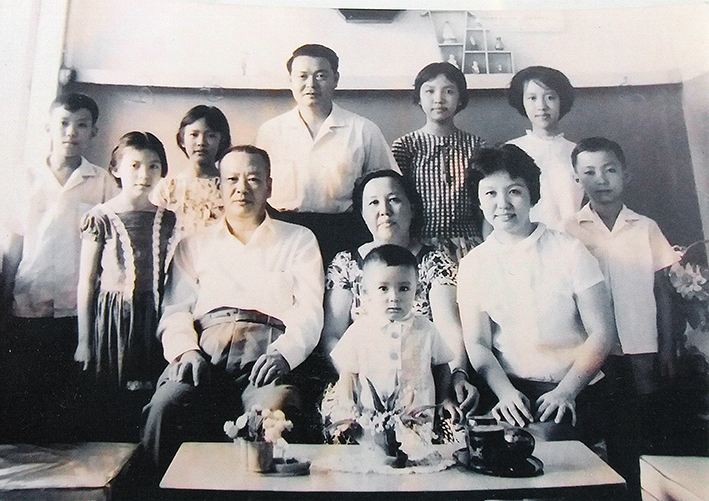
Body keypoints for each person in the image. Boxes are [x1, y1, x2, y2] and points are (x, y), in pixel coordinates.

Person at [141, 145, 323, 473]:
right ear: (220, 187)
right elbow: (176, 309)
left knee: (275, 414)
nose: (242, 188)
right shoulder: (193, 244)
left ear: (269, 186)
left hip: (267, 358)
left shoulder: (299, 239)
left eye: (253, 179)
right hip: (204, 356)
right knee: (166, 407)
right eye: (232, 179)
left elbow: (309, 311)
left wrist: (284, 354)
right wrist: (186, 352)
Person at [453, 144, 616, 448]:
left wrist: (565, 392)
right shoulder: (473, 264)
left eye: (514, 191)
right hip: (510, 392)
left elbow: (602, 333)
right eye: (490, 193)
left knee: (546, 444)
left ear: (532, 194)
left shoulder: (569, 250)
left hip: (575, 388)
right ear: (478, 200)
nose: (503, 204)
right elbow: (478, 343)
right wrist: (505, 393)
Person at [563, 137, 680, 501]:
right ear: (577, 179)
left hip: (643, 346)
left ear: (626, 174)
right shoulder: (569, 230)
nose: (601, 179)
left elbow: (664, 291)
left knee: (644, 432)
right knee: (606, 432)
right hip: (597, 354)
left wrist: (667, 348)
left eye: (610, 169)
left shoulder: (645, 227)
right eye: (589, 172)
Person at [0, 93, 118, 442]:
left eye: (81, 124)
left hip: (75, 308)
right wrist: (5, 302)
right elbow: (14, 243)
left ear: (93, 132)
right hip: (28, 301)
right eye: (64, 124)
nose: (71, 132)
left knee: (65, 398)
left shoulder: (101, 181)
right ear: (48, 127)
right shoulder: (26, 178)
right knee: (22, 392)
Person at [323, 169, 479, 414]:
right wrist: (351, 377)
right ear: (362, 213)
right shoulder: (345, 263)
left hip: (425, 386)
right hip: (361, 384)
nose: (384, 210)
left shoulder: (435, 262)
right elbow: (332, 335)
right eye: (373, 203)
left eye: (394, 199)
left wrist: (457, 376)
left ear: (412, 208)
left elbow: (449, 330)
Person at [75, 132, 177, 441]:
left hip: (153, 316)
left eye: (153, 166)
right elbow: (87, 282)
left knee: (150, 394)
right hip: (114, 320)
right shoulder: (100, 217)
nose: (144, 174)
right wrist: (84, 341)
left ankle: (146, 457)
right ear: (116, 169)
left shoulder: (167, 218)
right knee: (114, 398)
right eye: (135, 165)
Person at [255, 44, 398, 262]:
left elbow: (387, 186)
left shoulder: (363, 130)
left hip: (344, 233)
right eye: (302, 76)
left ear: (336, 79)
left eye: (320, 75)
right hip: (282, 232)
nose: (311, 84)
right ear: (290, 80)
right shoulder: (270, 131)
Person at [324, 244, 459, 432]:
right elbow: (348, 372)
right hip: (371, 423)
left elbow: (442, 366)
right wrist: (347, 403)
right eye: (383, 288)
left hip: (419, 422)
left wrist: (445, 398)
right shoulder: (360, 330)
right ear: (365, 292)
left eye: (404, 288)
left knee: (418, 446)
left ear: (418, 290)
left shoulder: (426, 329)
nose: (394, 297)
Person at [392, 62, 485, 262]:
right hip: (419, 245)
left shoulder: (477, 146)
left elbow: (484, 203)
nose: (439, 99)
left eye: (449, 91)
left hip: (468, 244)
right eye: (430, 91)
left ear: (460, 98)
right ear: (419, 98)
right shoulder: (405, 146)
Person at [506, 66, 583, 230]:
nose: (541, 106)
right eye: (532, 98)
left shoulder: (578, 153)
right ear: (522, 101)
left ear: (561, 100)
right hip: (526, 239)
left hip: (573, 239)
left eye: (550, 97)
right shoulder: (510, 151)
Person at [152, 105, 231, 235]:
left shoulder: (230, 186)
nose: (201, 142)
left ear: (221, 141)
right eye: (194, 135)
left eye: (211, 135)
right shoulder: (168, 188)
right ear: (182, 139)